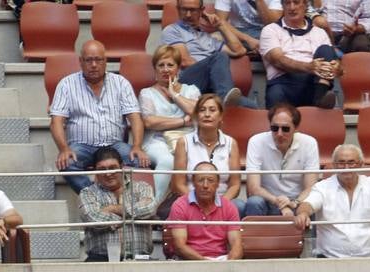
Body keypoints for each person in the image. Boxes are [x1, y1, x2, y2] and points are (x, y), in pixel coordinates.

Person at [49, 40, 150, 195]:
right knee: (66, 163)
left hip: (114, 146)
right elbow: (56, 121)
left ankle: (129, 200)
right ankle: (96, 197)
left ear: (106, 61)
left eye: (98, 60)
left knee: (141, 162)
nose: (94, 64)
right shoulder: (66, 84)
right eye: (89, 60)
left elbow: (135, 118)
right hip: (82, 146)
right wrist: (63, 149)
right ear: (80, 62)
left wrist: (137, 146)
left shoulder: (120, 83)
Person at [294, 144, 370, 257]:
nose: (346, 167)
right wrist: (303, 214)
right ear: (334, 165)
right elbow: (308, 204)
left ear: (360, 164)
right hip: (329, 259)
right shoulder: (322, 187)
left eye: (351, 162)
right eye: (341, 163)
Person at [160, 0, 256, 107]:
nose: (188, 14)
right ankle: (223, 96)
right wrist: (212, 74)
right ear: (178, 9)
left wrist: (220, 25)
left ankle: (223, 98)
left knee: (250, 106)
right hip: (184, 82)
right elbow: (185, 62)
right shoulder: (172, 30)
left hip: (208, 83)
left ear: (202, 11)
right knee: (219, 57)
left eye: (193, 10)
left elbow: (239, 50)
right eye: (184, 9)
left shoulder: (207, 37)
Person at [139, 46, 202, 203]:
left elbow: (197, 111)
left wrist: (175, 95)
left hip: (187, 141)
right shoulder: (147, 93)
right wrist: (182, 121)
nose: (165, 69)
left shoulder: (191, 90)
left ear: (178, 68)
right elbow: (150, 122)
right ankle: (152, 206)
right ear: (155, 69)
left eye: (170, 65)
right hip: (156, 141)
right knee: (167, 160)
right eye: (161, 65)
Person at [78, 147, 157, 261]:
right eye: (102, 169)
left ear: (122, 167)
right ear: (95, 170)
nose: (108, 173)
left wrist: (112, 209)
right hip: (100, 258)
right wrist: (129, 218)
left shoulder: (142, 187)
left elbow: (150, 209)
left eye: (112, 168)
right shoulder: (87, 193)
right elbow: (92, 218)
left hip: (140, 258)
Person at [259, 0, 341, 109]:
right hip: (283, 83)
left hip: (313, 84)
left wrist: (337, 68)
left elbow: (335, 62)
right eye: (287, 3)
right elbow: (278, 60)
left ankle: (320, 97)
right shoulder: (270, 30)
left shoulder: (319, 32)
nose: (292, 7)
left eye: (296, 2)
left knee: (326, 50)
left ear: (306, 5)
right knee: (275, 94)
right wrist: (309, 67)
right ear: (282, 6)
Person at [244, 102, 320, 217]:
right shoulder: (256, 141)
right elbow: (253, 188)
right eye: (274, 128)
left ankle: (310, 236)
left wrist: (294, 203)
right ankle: (254, 235)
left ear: (296, 128)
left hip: (296, 202)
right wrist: (280, 203)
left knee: (312, 203)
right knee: (254, 202)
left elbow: (310, 187)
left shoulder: (309, 143)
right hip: (268, 200)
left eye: (285, 129)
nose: (279, 134)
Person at [172, 95, 244, 214]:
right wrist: (197, 202)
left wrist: (219, 205)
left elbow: (235, 185)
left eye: (212, 110)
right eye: (202, 110)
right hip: (192, 200)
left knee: (239, 206)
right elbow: (178, 184)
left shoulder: (231, 143)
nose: (207, 114)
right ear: (196, 116)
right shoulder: (183, 142)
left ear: (221, 116)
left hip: (222, 200)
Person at [168, 161, 243, 259]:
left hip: (221, 260)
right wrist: (206, 265)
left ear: (217, 184)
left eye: (211, 180)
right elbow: (180, 246)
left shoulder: (228, 206)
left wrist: (229, 265)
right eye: (200, 180)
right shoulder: (180, 205)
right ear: (193, 182)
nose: (205, 185)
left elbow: (236, 245)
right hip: (190, 260)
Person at [215, 0, 282, 54]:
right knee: (216, 40)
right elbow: (220, 22)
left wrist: (259, 1)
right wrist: (248, 40)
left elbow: (273, 25)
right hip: (238, 32)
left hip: (265, 31)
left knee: (277, 45)